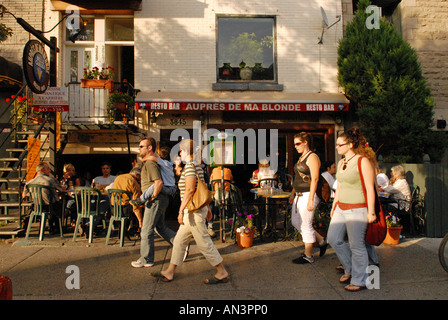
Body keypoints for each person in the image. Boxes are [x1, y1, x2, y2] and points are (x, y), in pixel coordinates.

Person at [151, 139, 229, 284]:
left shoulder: (190, 167)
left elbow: (190, 190)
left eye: (181, 150)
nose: (180, 153)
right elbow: (202, 188)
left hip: (192, 212)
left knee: (204, 243)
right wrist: (206, 209)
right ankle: (169, 272)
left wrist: (180, 211)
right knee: (180, 242)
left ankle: (222, 271)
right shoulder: (196, 166)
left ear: (186, 151)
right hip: (194, 211)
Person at [327, 128, 378, 292]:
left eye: (340, 145)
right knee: (333, 238)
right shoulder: (341, 162)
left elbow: (370, 188)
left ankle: (360, 279)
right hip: (341, 207)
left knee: (357, 245)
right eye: (336, 144)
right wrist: (335, 205)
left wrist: (371, 212)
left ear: (350, 145)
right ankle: (349, 268)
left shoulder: (362, 161)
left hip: (358, 208)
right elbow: (340, 186)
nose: (337, 147)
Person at [131, 137, 176, 268]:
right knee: (159, 227)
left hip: (156, 200)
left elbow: (158, 182)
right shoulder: (150, 162)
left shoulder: (150, 164)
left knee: (146, 230)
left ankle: (146, 259)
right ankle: (180, 245)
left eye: (141, 146)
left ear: (149, 148)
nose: (138, 149)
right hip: (159, 200)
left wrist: (153, 196)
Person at [289, 132, 328, 264]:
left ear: (306, 142)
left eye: (298, 143)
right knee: (296, 222)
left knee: (306, 224)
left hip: (308, 194)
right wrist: (292, 192)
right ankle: (321, 241)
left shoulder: (312, 157)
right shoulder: (301, 158)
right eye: (294, 144)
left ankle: (308, 255)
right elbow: (299, 177)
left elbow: (315, 178)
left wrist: (311, 198)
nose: (296, 146)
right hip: (299, 195)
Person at [23, 162, 64, 234]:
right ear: (42, 170)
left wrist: (35, 194)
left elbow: (24, 195)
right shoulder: (50, 180)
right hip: (49, 206)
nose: (49, 171)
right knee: (60, 205)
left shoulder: (29, 183)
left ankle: (26, 226)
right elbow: (61, 189)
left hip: (36, 206)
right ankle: (56, 227)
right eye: (48, 169)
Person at [209, 166, 233, 237]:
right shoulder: (228, 170)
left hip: (216, 194)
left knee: (212, 203)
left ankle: (210, 225)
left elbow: (211, 181)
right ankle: (226, 215)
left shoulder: (214, 170)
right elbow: (231, 179)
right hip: (226, 195)